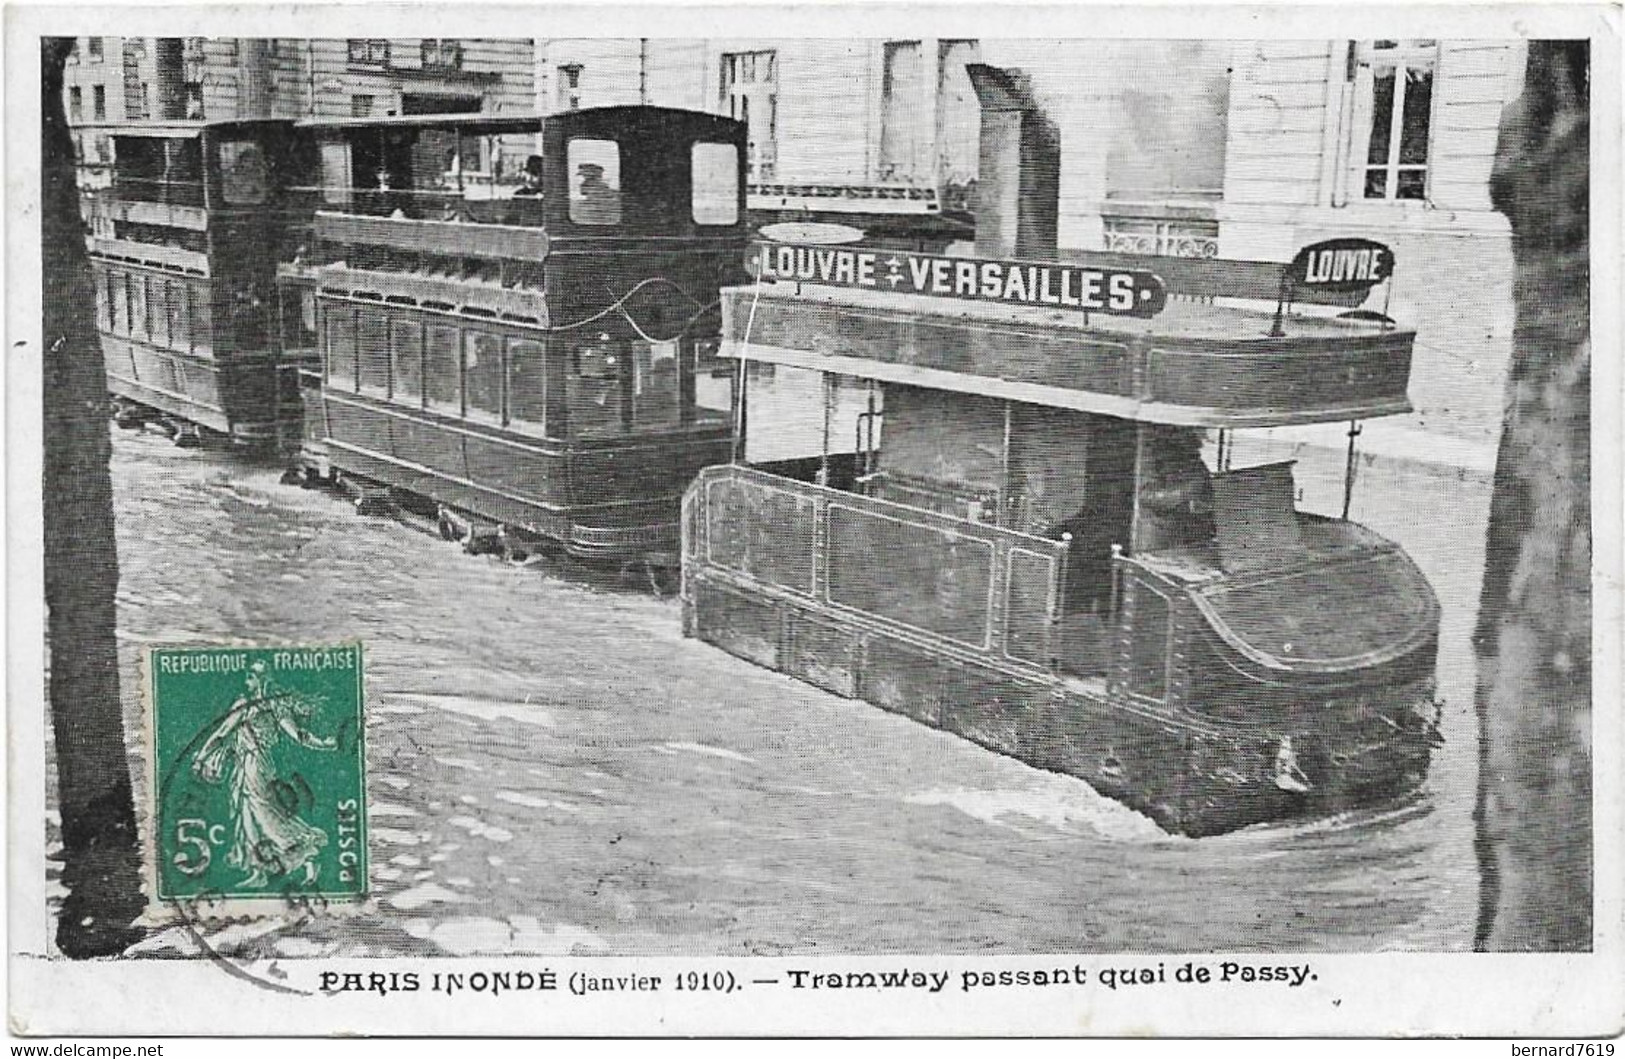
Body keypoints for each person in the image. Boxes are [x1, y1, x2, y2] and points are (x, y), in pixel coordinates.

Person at [191, 663, 337, 888]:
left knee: (266, 817)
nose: (246, 682)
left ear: (262, 680)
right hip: (245, 766)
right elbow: (222, 734)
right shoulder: (256, 705)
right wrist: (202, 757)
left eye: (250, 676)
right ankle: (259, 870)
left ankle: (306, 850)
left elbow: (297, 734)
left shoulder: (263, 707)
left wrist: (324, 745)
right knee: (247, 816)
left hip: (257, 766)